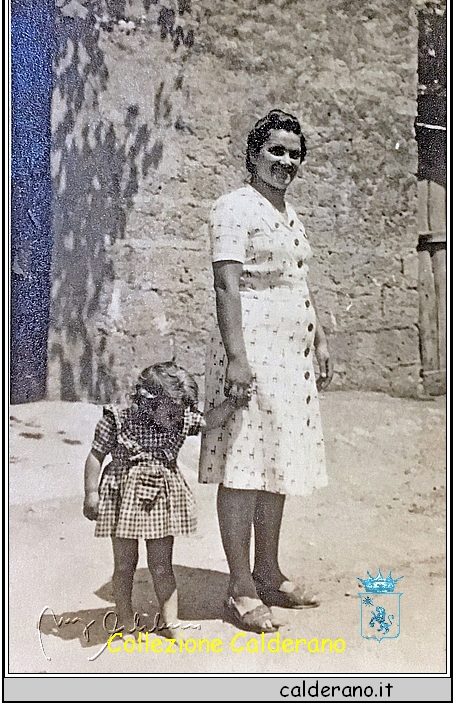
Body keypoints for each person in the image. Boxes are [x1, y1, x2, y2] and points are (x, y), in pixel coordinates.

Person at [199, 109, 333, 633]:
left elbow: (297, 282)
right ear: (254, 153)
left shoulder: (288, 213)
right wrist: (236, 358)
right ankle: (239, 588)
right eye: (276, 151)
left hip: (290, 355)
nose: (286, 161)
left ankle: (269, 571)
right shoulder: (233, 207)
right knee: (243, 465)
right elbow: (226, 286)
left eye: (294, 154)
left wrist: (318, 337)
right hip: (251, 348)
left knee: (275, 461)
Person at [83, 361, 247, 636]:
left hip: (160, 499)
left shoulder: (179, 417)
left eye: (180, 412)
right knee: (124, 565)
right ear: (148, 403)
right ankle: (125, 617)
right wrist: (91, 493)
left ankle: (171, 620)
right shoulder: (117, 419)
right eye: (170, 412)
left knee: (161, 566)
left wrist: (232, 404)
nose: (176, 418)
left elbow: (209, 420)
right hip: (121, 498)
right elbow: (95, 455)